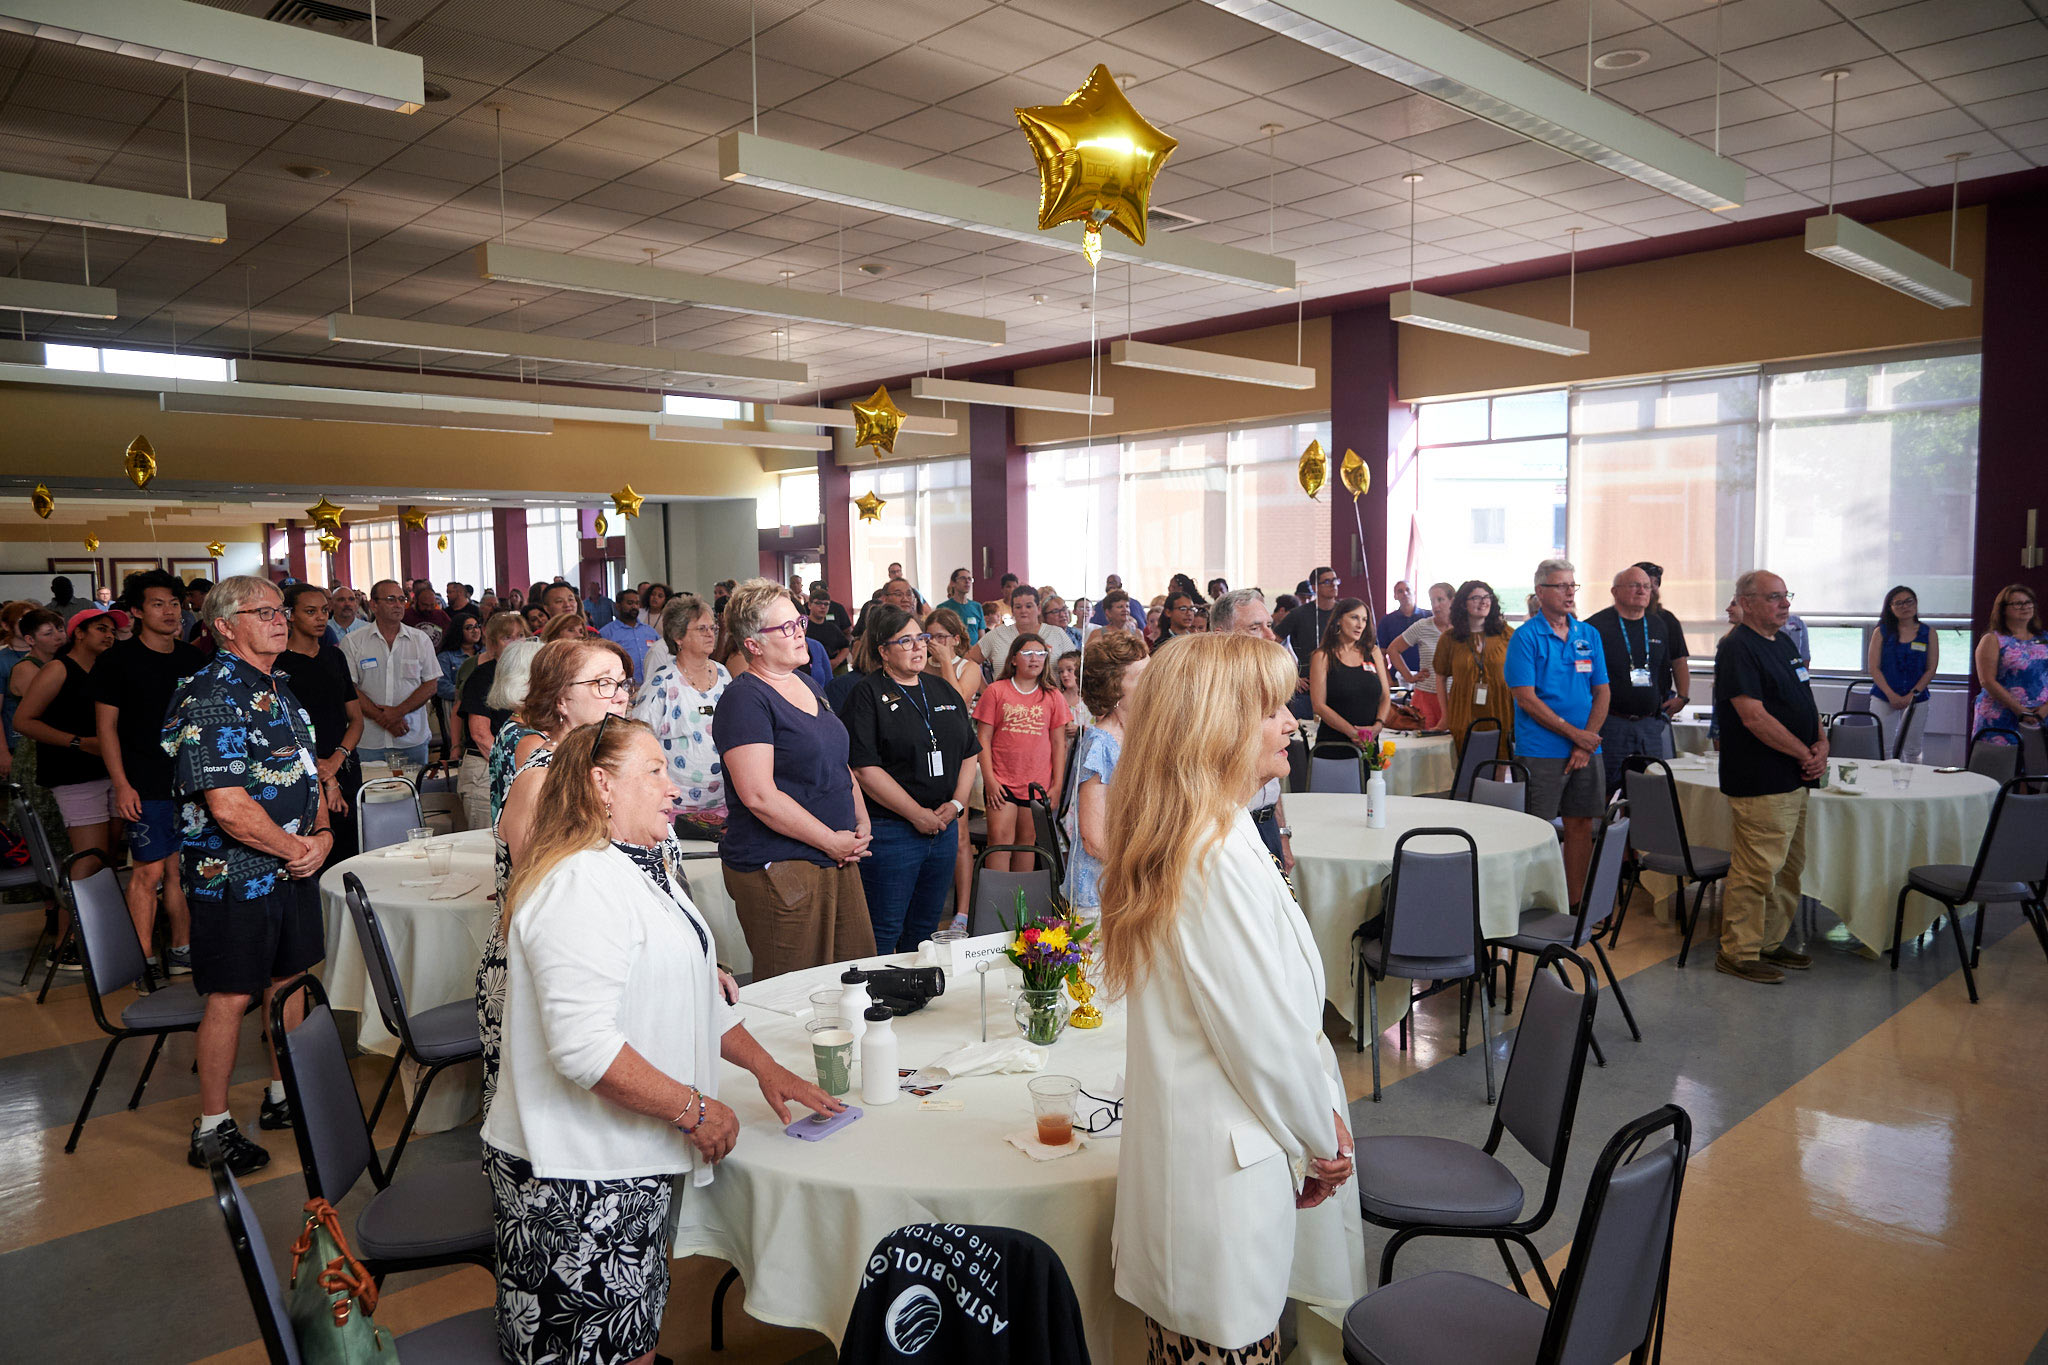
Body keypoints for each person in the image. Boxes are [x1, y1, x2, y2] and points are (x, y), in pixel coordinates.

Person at [481, 717, 836, 1365]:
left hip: (622, 1159)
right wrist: (695, 1110)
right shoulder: (578, 883)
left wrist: (766, 1069)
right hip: (574, 1177)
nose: (675, 787)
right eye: (654, 771)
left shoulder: (639, 866)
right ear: (601, 785)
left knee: (631, 1341)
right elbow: (584, 1047)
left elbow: (692, 990)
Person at [1099, 632, 1360, 1360]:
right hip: (1218, 1182)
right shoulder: (1207, 853)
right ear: (1215, 726)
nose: (1291, 723)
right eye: (1271, 708)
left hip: (1224, 1161)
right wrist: (1321, 1139)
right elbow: (1265, 1035)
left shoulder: (1218, 829)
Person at [163, 576, 334, 1173]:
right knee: (232, 994)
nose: (280, 619)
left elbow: (308, 773)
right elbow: (228, 806)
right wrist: (296, 846)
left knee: (288, 982)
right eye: (262, 612)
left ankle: (283, 1094)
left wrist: (322, 836)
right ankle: (211, 1126)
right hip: (234, 874)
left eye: (280, 610)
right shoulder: (211, 693)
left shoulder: (278, 687)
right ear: (224, 626)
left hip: (290, 863)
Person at [713, 579, 875, 980]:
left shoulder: (806, 682)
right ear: (753, 644)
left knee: (856, 980)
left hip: (836, 854)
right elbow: (759, 796)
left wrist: (861, 820)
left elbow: (839, 762)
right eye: (786, 627)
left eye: (799, 620)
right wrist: (831, 841)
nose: (801, 630)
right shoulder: (745, 700)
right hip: (782, 864)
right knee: (795, 991)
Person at [843, 605, 979, 954]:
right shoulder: (866, 694)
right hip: (894, 830)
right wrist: (916, 814)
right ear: (882, 651)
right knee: (885, 930)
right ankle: (878, 1005)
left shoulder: (943, 689)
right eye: (905, 641)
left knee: (925, 929)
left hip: (944, 827)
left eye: (921, 638)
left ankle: (915, 1000)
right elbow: (864, 768)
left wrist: (956, 804)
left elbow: (969, 752)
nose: (919, 647)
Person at [93, 571, 209, 976]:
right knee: (149, 871)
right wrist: (122, 785)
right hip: (142, 782)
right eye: (158, 604)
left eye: (175, 604)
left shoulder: (193, 658)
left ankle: (181, 948)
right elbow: (106, 729)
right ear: (138, 611)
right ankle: (139, 958)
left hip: (189, 783)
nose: (169, 612)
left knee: (182, 869)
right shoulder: (116, 661)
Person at [1713, 570, 1825, 985]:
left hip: (1795, 775)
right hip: (1760, 777)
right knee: (1756, 869)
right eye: (1775, 597)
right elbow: (1753, 716)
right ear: (1748, 601)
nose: (1785, 604)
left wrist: (1821, 744)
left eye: (1786, 596)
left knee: (1789, 868)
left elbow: (1804, 697)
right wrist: (1804, 752)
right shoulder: (1738, 647)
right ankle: (1738, 952)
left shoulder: (1783, 642)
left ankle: (1769, 942)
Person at [1506, 559, 1609, 904]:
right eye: (1561, 585)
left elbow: (1602, 692)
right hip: (1542, 750)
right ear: (1540, 592)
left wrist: (1586, 740)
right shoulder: (1525, 637)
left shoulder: (1588, 634)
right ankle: (1533, 901)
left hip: (1586, 749)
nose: (1569, 592)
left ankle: (1573, 901)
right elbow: (1525, 697)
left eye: (1572, 585)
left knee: (1581, 824)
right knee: (1538, 828)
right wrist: (1573, 734)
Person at [14, 606, 127, 903]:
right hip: (73, 771)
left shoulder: (107, 669)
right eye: (101, 629)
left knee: (109, 856)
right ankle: (75, 936)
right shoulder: (58, 669)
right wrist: (78, 742)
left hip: (111, 770)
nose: (109, 636)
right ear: (79, 633)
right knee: (88, 860)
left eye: (112, 631)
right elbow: (23, 721)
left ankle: (104, 930)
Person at [273, 583, 366, 867]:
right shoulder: (277, 662)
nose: (321, 618)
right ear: (289, 615)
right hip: (299, 771)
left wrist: (337, 761)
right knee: (307, 857)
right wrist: (323, 772)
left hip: (343, 764)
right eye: (310, 611)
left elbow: (356, 719)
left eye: (324, 610)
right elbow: (280, 729)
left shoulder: (334, 656)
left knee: (349, 854)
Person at [1064, 630, 1149, 923]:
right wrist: (1146, 869)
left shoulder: (1137, 736)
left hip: (1129, 888)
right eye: (1141, 678)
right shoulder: (1101, 743)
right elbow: (1094, 839)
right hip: (1102, 895)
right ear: (1114, 691)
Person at [631, 594, 730, 837]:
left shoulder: (724, 674)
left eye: (713, 628)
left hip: (724, 806)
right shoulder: (662, 681)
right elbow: (638, 741)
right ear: (678, 637)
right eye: (701, 629)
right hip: (676, 811)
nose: (711, 634)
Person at [973, 633, 1070, 874]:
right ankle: (996, 906)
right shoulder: (996, 691)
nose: (1034, 659)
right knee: (999, 842)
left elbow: (1059, 743)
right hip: (1001, 784)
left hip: (1037, 785)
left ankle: (1019, 909)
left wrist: (1057, 785)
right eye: (1027, 653)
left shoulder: (1053, 695)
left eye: (1040, 653)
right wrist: (990, 781)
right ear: (1014, 658)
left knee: (1027, 845)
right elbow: (982, 739)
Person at [1587, 565, 1684, 795]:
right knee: (1606, 791)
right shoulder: (1595, 627)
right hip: (1611, 724)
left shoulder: (1658, 625)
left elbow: (1666, 668)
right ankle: (1608, 832)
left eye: (1646, 586)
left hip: (1649, 725)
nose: (1642, 590)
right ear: (1615, 591)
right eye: (1634, 585)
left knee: (1650, 792)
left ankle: (1638, 833)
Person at [341, 579, 439, 770]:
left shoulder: (420, 640)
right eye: (391, 599)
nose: (398, 605)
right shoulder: (353, 642)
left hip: (411, 738)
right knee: (370, 797)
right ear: (374, 605)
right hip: (368, 741)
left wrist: (398, 712)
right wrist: (383, 718)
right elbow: (349, 689)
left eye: (402, 599)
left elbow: (430, 684)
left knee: (414, 797)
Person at [454, 610, 528, 831]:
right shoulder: (482, 676)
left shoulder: (529, 674)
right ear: (494, 643)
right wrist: (512, 766)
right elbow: (480, 734)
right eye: (508, 637)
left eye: (520, 635)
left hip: (518, 767)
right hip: (485, 771)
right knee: (487, 844)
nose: (516, 643)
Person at [5, 609, 69, 864]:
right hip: (36, 752)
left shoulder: (62, 663)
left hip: (61, 746)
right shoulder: (26, 668)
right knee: (45, 819)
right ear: (31, 640)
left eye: (60, 630)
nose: (58, 637)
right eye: (48, 633)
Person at [1434, 580, 1514, 757]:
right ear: (1463, 604)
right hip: (1464, 710)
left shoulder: (1506, 634)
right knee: (1467, 766)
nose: (1483, 602)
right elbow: (1440, 677)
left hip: (1500, 708)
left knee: (1499, 761)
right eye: (1476, 598)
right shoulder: (1449, 638)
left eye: (1487, 597)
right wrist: (1445, 715)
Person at [1309, 595, 1391, 747]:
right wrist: (1353, 734)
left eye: (1364, 620)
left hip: (1370, 742)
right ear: (1338, 619)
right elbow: (1319, 705)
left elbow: (1386, 696)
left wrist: (1378, 726)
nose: (1360, 625)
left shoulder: (1373, 652)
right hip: (1334, 745)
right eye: (1354, 618)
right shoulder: (1322, 656)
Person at [1973, 582, 2046, 737]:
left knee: (2037, 761)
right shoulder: (1992, 639)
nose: (2025, 607)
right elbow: (1987, 681)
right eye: (2018, 604)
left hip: (2041, 715)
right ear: (2003, 609)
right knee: (1999, 761)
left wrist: (2045, 709)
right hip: (2001, 715)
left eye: (2028, 602)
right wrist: (2021, 711)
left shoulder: (2044, 639)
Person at [1867, 585, 1938, 737]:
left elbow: (1931, 669)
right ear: (1890, 607)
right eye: (1898, 603)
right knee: (1882, 748)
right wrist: (1890, 694)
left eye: (1909, 601)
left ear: (1916, 603)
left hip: (1917, 699)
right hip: (1884, 696)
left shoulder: (1929, 633)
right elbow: (1874, 668)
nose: (1905, 606)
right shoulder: (1881, 632)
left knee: (1912, 750)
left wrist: (1911, 695)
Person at [970, 584, 1076, 679]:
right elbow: (969, 661)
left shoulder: (1056, 634)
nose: (1023, 611)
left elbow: (1077, 666)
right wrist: (985, 690)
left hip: (1050, 699)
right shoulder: (997, 634)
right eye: (1018, 607)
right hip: (1006, 700)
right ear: (1012, 610)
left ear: (1038, 609)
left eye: (1029, 606)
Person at [1278, 566, 1342, 716]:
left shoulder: (1346, 612)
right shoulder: (1298, 614)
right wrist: (1291, 676)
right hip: (1306, 689)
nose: (1333, 585)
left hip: (1340, 687)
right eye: (1327, 581)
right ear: (1314, 587)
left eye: (1335, 580)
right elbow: (1271, 645)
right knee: (1307, 734)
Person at [1390, 582, 1453, 728]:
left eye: (1440, 600)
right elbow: (1393, 650)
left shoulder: (1463, 629)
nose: (1436, 605)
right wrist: (1408, 677)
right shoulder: (1423, 626)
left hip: (1455, 696)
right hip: (1426, 697)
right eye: (1432, 601)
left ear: (1452, 601)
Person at [436, 615, 483, 762]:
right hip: (455, 707)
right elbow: (441, 686)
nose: (475, 631)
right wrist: (467, 694)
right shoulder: (446, 657)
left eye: (477, 626)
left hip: (482, 707)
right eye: (469, 628)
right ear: (458, 631)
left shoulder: (484, 654)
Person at [599, 586, 660, 685]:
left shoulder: (650, 631)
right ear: (618, 606)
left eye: (636, 603)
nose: (634, 607)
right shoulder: (606, 633)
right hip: (623, 688)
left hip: (651, 686)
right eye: (630, 603)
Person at [1376, 579, 1427, 675]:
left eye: (1408, 590)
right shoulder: (1387, 621)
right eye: (1400, 591)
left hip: (1426, 676)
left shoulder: (1428, 617)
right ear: (1395, 596)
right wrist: (1387, 679)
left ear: (1414, 593)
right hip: (1397, 677)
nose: (1405, 593)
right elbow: (1381, 654)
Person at [805, 591, 849, 670]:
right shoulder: (803, 626)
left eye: (826, 604)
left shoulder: (832, 628)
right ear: (809, 605)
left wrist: (836, 661)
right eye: (818, 603)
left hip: (831, 667)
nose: (822, 607)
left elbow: (845, 647)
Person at [943, 566, 986, 644]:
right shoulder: (943, 608)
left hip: (973, 653)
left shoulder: (977, 607)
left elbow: (982, 637)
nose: (967, 581)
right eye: (963, 578)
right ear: (953, 583)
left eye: (969, 579)